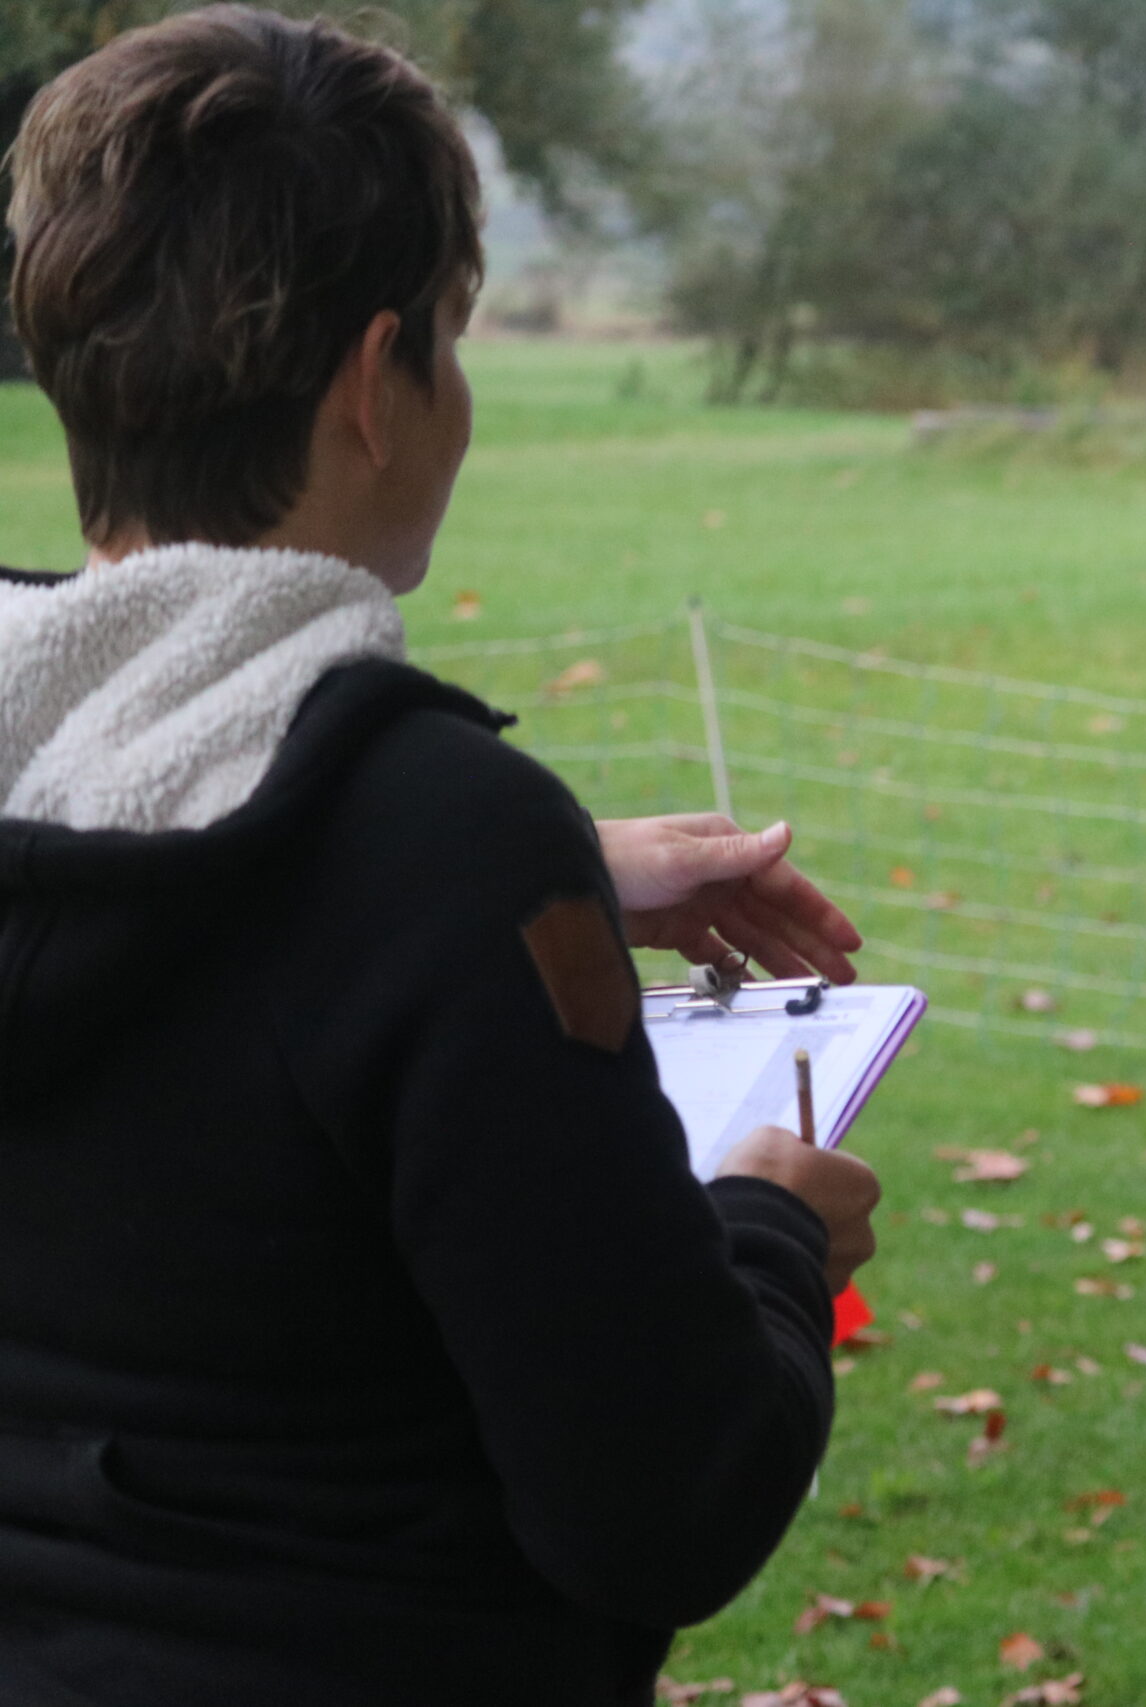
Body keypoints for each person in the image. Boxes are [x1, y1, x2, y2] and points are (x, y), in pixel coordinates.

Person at [0, 9, 879, 1701]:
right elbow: (663, 1506)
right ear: (372, 384)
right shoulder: (443, 851)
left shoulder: (394, 857)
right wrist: (769, 1231)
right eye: (452, 349)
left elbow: (188, 907)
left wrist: (534, 887)